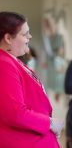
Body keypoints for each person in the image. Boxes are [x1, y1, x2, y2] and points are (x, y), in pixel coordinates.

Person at [0, 11, 64, 148]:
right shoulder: (3, 64)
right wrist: (50, 123)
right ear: (8, 38)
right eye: (24, 34)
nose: (30, 36)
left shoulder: (12, 61)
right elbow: (15, 113)